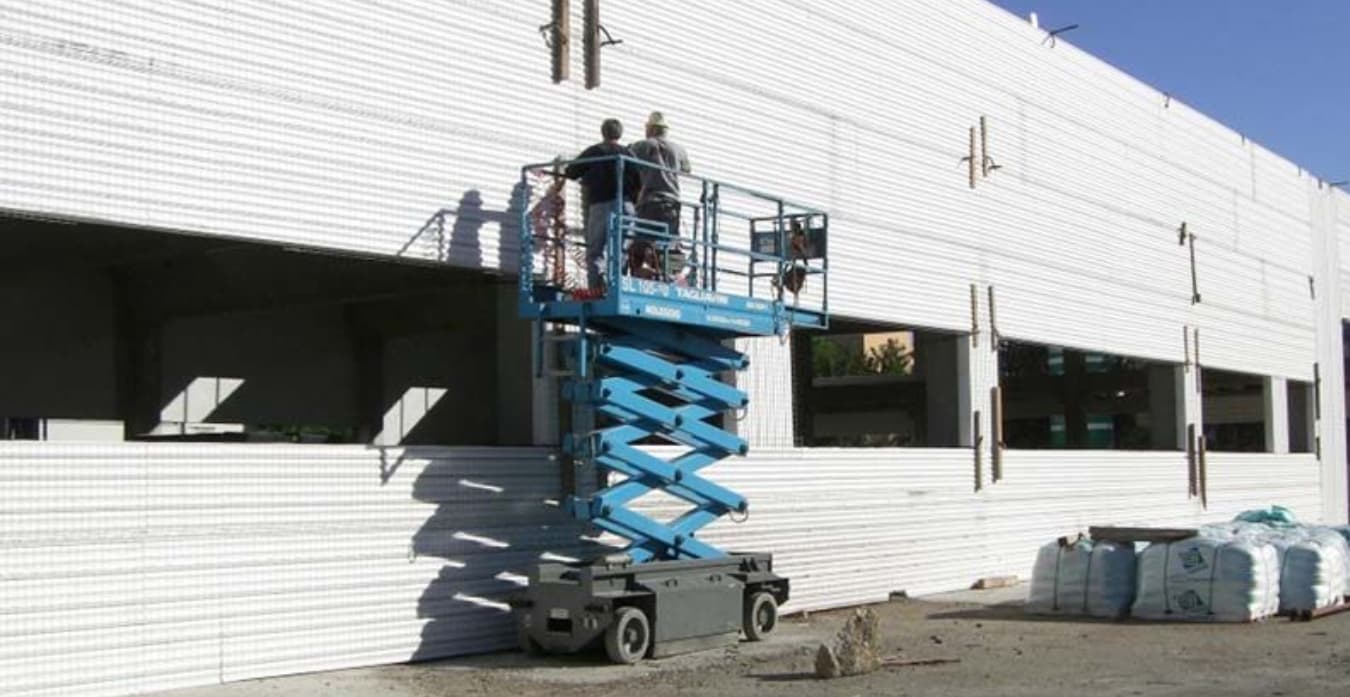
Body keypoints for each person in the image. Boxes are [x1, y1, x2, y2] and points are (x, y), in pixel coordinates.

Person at [564, 118, 640, 290]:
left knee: (596, 250)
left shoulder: (594, 151)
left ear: (603, 132)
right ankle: (617, 286)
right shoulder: (628, 154)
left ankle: (597, 288)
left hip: (600, 204)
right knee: (620, 250)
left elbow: (571, 172)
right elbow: (639, 182)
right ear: (619, 134)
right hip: (625, 205)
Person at [629, 111, 691, 239]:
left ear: (651, 129)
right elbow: (687, 169)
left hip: (649, 202)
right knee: (667, 247)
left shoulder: (641, 146)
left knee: (644, 244)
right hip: (671, 204)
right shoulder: (678, 149)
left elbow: (625, 159)